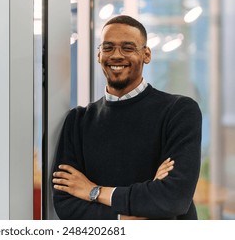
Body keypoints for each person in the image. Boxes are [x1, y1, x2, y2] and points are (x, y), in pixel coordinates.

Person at [51, 15, 202, 220]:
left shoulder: (179, 111)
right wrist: (126, 220)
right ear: (99, 55)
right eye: (108, 47)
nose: (116, 55)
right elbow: (66, 203)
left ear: (146, 54)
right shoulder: (77, 121)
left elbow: (173, 198)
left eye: (128, 48)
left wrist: (93, 191)